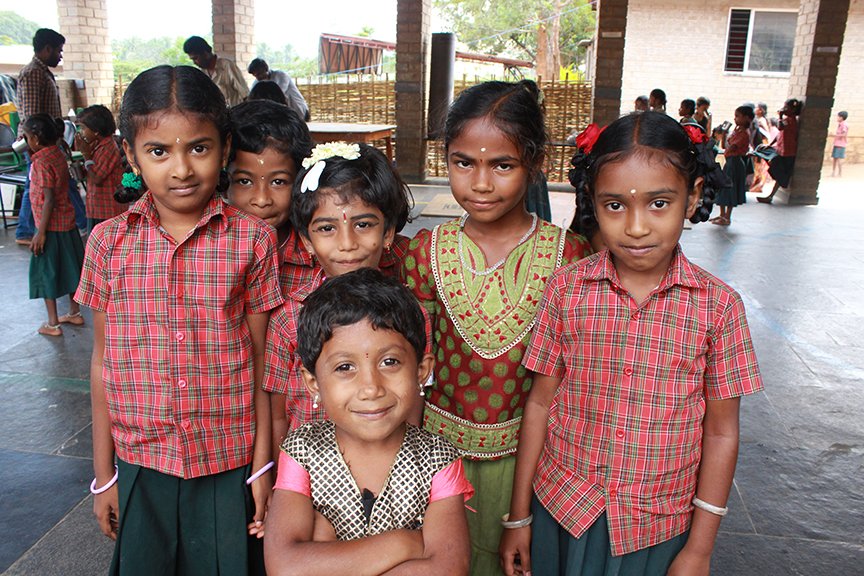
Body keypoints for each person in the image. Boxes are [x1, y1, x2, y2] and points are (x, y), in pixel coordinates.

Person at [499, 111, 763, 576]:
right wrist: (520, 516)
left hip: (657, 526)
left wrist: (699, 549)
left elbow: (722, 433)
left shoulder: (719, 308)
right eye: (615, 205)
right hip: (563, 508)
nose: (636, 227)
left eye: (659, 203)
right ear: (593, 204)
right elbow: (539, 405)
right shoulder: (566, 290)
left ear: (693, 195)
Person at [75, 65, 283, 575]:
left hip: (227, 457)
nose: (182, 169)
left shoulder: (252, 240)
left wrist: (262, 464)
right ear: (130, 154)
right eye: (158, 151)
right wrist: (105, 475)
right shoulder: (107, 243)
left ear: (225, 146)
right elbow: (104, 363)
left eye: (199, 147)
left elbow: (260, 361)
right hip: (142, 458)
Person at [401, 80, 593, 575]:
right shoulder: (425, 252)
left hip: (530, 464)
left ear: (535, 164)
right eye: (464, 162)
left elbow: (565, 382)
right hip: (436, 459)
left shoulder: (567, 257)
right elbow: (411, 367)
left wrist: (523, 508)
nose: (480, 183)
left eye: (502, 165)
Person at [264, 268, 473, 575]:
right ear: (312, 383)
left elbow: (449, 569)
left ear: (421, 370)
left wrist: (325, 553)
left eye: (390, 362)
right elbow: (286, 567)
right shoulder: (302, 450)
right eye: (345, 367)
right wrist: (407, 544)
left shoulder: (437, 459)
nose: (371, 388)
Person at [263, 141, 416, 461]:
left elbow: (412, 406)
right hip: (307, 473)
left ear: (388, 232)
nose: (347, 244)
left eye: (363, 224)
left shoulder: (408, 313)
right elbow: (278, 414)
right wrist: (281, 478)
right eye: (327, 228)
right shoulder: (289, 318)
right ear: (306, 240)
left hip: (385, 472)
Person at [23, 114, 84, 336]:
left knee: (46, 273)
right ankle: (74, 312)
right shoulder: (58, 153)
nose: (26, 141)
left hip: (49, 227)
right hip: (66, 222)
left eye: (27, 137)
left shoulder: (40, 162)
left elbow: (48, 198)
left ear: (36, 139)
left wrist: (40, 232)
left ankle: (52, 322)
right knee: (71, 269)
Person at [227, 99, 313, 246]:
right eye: (244, 181)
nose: (261, 200)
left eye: (278, 182)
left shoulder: (319, 255)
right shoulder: (208, 255)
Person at [14, 28, 70, 246]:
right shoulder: (32, 73)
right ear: (47, 49)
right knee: (37, 188)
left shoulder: (43, 71)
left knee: (50, 186)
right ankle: (26, 230)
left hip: (47, 142)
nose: (60, 55)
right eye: (58, 50)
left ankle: (55, 225)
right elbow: (30, 114)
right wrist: (34, 143)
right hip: (37, 144)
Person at [74, 105, 126, 230]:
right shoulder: (97, 146)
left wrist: (87, 156)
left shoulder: (108, 148)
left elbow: (97, 179)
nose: (81, 132)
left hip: (108, 210)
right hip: (97, 208)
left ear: (96, 130)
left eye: (83, 128)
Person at [712, 105, 754, 226]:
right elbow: (726, 146)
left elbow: (733, 146)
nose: (735, 119)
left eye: (738, 116)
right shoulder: (737, 131)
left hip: (735, 162)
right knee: (723, 187)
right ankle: (721, 214)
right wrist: (724, 135)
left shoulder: (744, 133)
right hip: (729, 161)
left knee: (731, 189)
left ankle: (727, 216)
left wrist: (727, 138)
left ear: (746, 118)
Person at [183, 36, 249, 106]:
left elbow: (245, 95)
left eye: (195, 58)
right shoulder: (201, 74)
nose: (194, 62)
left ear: (205, 53)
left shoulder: (227, 66)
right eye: (192, 59)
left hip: (234, 114)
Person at [759, 98, 802, 204]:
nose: (784, 109)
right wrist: (770, 144)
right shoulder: (787, 119)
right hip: (780, 150)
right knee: (775, 168)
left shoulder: (790, 120)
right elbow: (779, 134)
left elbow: (780, 127)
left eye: (787, 107)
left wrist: (780, 116)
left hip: (788, 152)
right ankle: (770, 196)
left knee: (781, 174)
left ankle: (770, 196)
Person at [749, 103, 771, 193]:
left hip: (760, 147)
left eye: (757, 108)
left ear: (761, 110)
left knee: (758, 167)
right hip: (757, 146)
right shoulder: (757, 120)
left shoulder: (761, 121)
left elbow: (766, 134)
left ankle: (758, 186)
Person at [831, 111, 849, 177]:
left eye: (838, 117)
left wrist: (836, 135)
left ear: (841, 117)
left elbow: (844, 134)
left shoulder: (844, 125)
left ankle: (839, 173)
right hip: (837, 143)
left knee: (838, 159)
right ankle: (833, 172)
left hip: (840, 144)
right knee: (835, 158)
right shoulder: (840, 124)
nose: (837, 118)